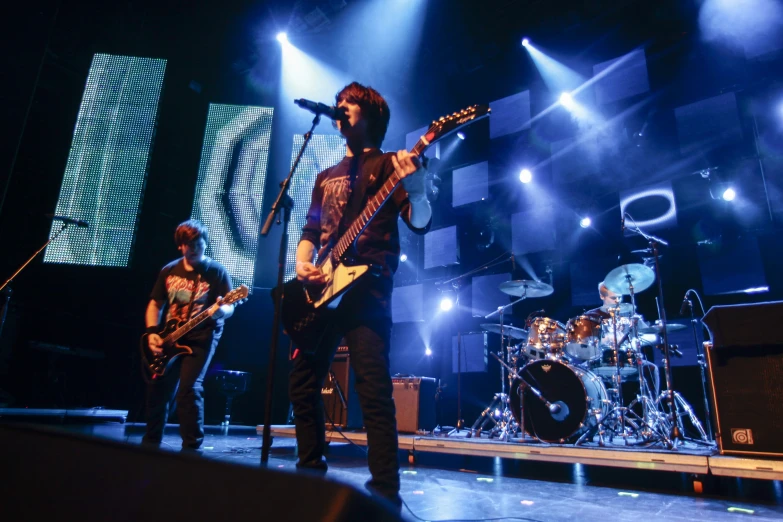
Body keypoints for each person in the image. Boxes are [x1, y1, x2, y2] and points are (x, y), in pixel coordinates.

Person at [289, 82, 432, 510]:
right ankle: (310, 475)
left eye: (347, 104)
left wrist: (419, 185)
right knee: (301, 384)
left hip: (368, 289)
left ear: (368, 115)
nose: (340, 110)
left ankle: (384, 493)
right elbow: (311, 233)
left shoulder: (391, 164)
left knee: (372, 389)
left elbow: (421, 221)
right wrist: (301, 263)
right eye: (339, 105)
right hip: (323, 288)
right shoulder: (324, 176)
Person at [142, 219, 235, 452]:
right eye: (188, 244)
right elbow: (155, 304)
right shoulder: (169, 270)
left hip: (202, 337)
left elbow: (229, 306)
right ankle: (150, 442)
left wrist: (219, 311)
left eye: (197, 243)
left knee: (189, 388)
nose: (193, 249)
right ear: (180, 246)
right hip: (170, 338)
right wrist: (153, 332)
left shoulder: (216, 271)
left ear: (205, 243)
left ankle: (192, 447)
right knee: (158, 388)